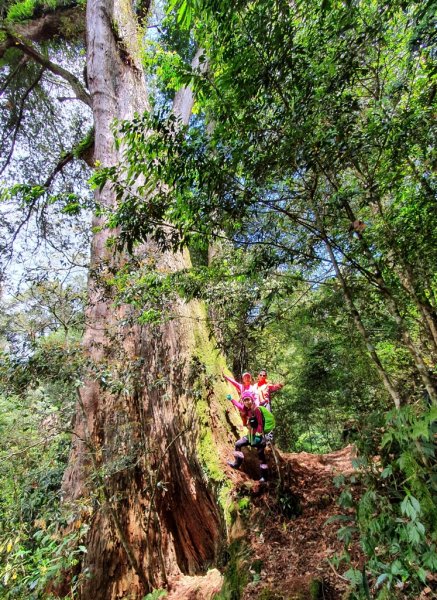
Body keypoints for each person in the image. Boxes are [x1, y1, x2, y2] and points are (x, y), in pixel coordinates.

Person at [226, 390, 269, 482]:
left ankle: (264, 477)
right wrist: (231, 399)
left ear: (252, 400)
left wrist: (258, 435)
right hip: (250, 436)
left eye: (248, 399)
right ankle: (237, 463)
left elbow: (261, 424)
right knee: (238, 444)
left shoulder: (256, 410)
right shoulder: (246, 409)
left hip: (259, 437)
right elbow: (239, 405)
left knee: (261, 456)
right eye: (245, 400)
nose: (246, 402)